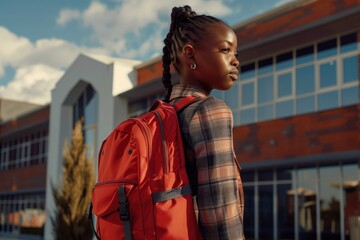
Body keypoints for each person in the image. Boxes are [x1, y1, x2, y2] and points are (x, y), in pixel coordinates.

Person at [161, 5, 245, 240]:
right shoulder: (210, 110)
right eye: (225, 50)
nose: (235, 61)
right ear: (190, 55)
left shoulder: (166, 111)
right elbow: (220, 213)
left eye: (236, 53)